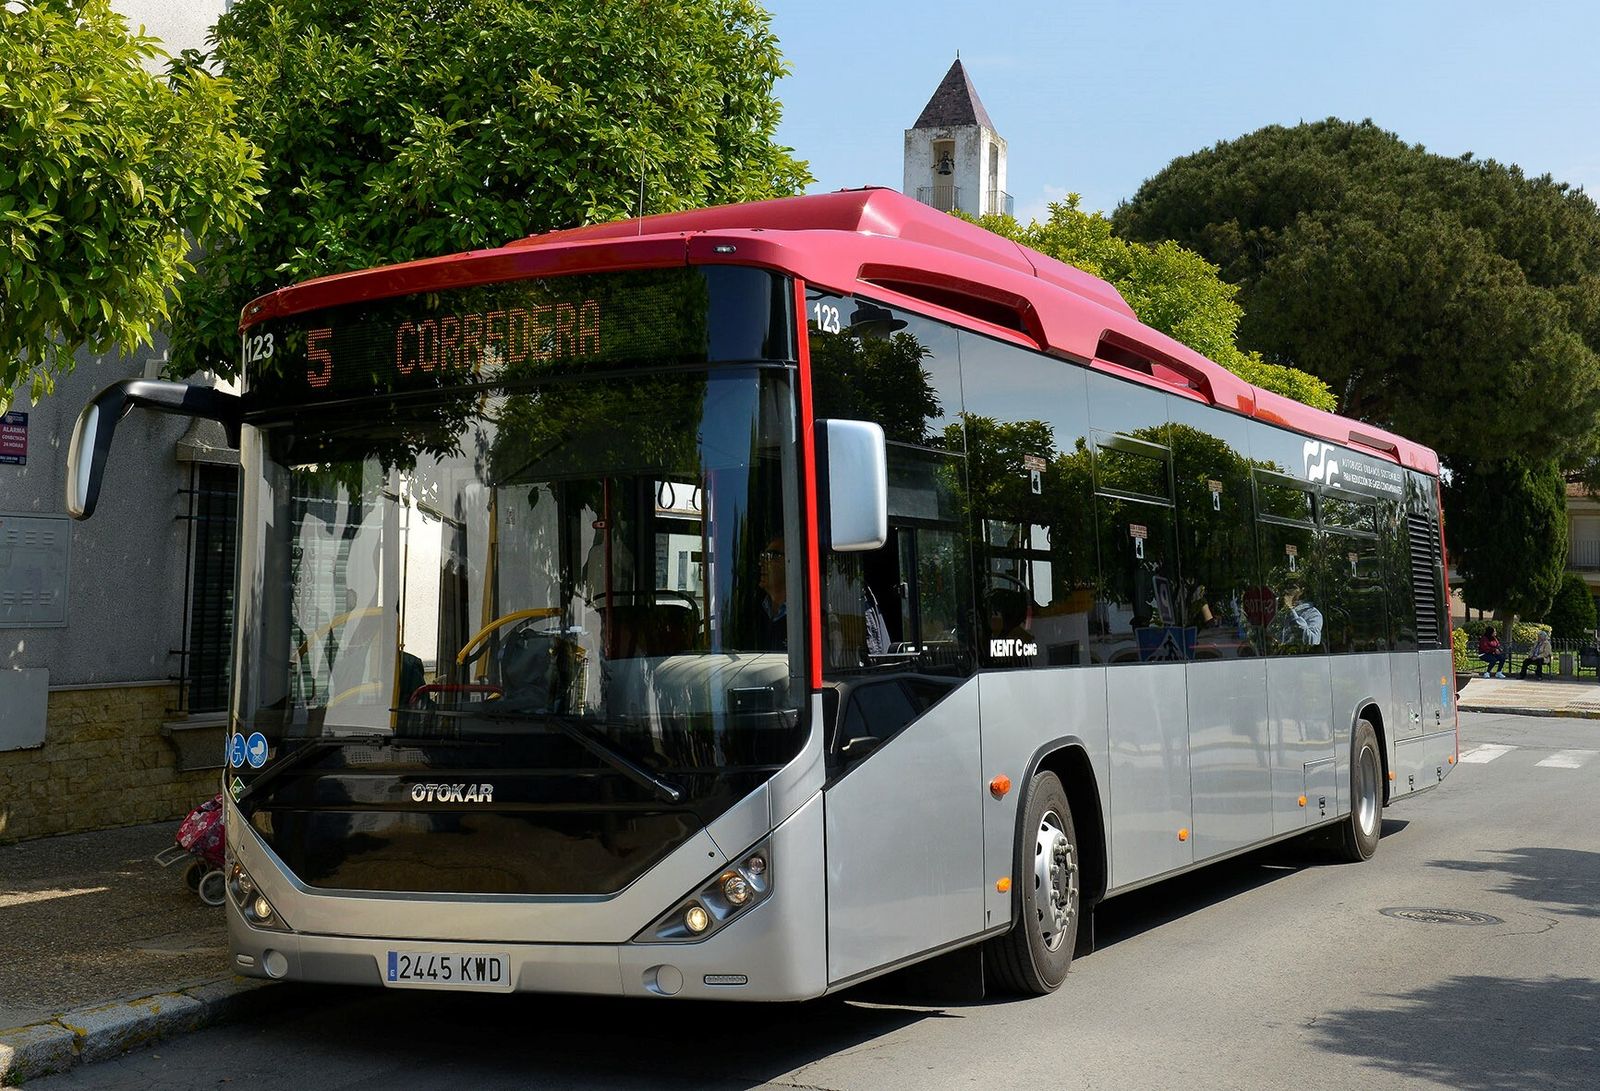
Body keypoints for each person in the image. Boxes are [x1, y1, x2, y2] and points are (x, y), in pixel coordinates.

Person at [757, 537, 788, 650]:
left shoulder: (807, 615)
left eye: (771, 556)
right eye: (763, 557)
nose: (762, 563)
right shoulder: (752, 612)